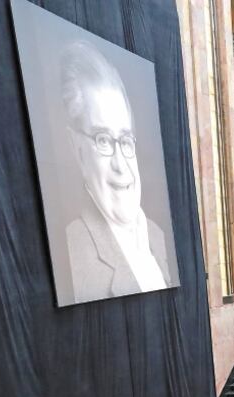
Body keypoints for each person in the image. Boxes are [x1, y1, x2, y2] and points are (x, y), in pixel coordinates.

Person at [58, 40, 176, 305]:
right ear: (77, 148)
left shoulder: (158, 235)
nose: (121, 165)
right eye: (102, 140)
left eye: (124, 140)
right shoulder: (74, 250)